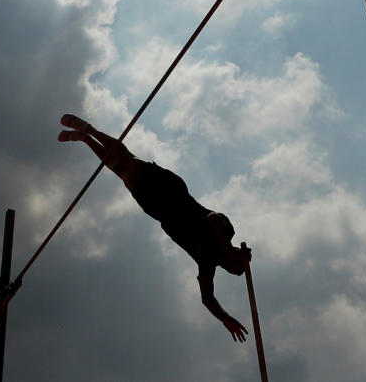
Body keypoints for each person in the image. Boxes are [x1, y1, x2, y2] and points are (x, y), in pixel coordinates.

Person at [58, 113, 252, 342]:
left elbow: (207, 298)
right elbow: (212, 218)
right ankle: (89, 130)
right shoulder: (226, 231)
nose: (227, 266)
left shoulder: (207, 263)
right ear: (234, 255)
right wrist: (227, 247)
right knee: (127, 160)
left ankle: (84, 138)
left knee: (121, 171)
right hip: (171, 191)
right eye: (232, 265)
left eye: (230, 269)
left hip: (158, 209)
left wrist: (225, 317)